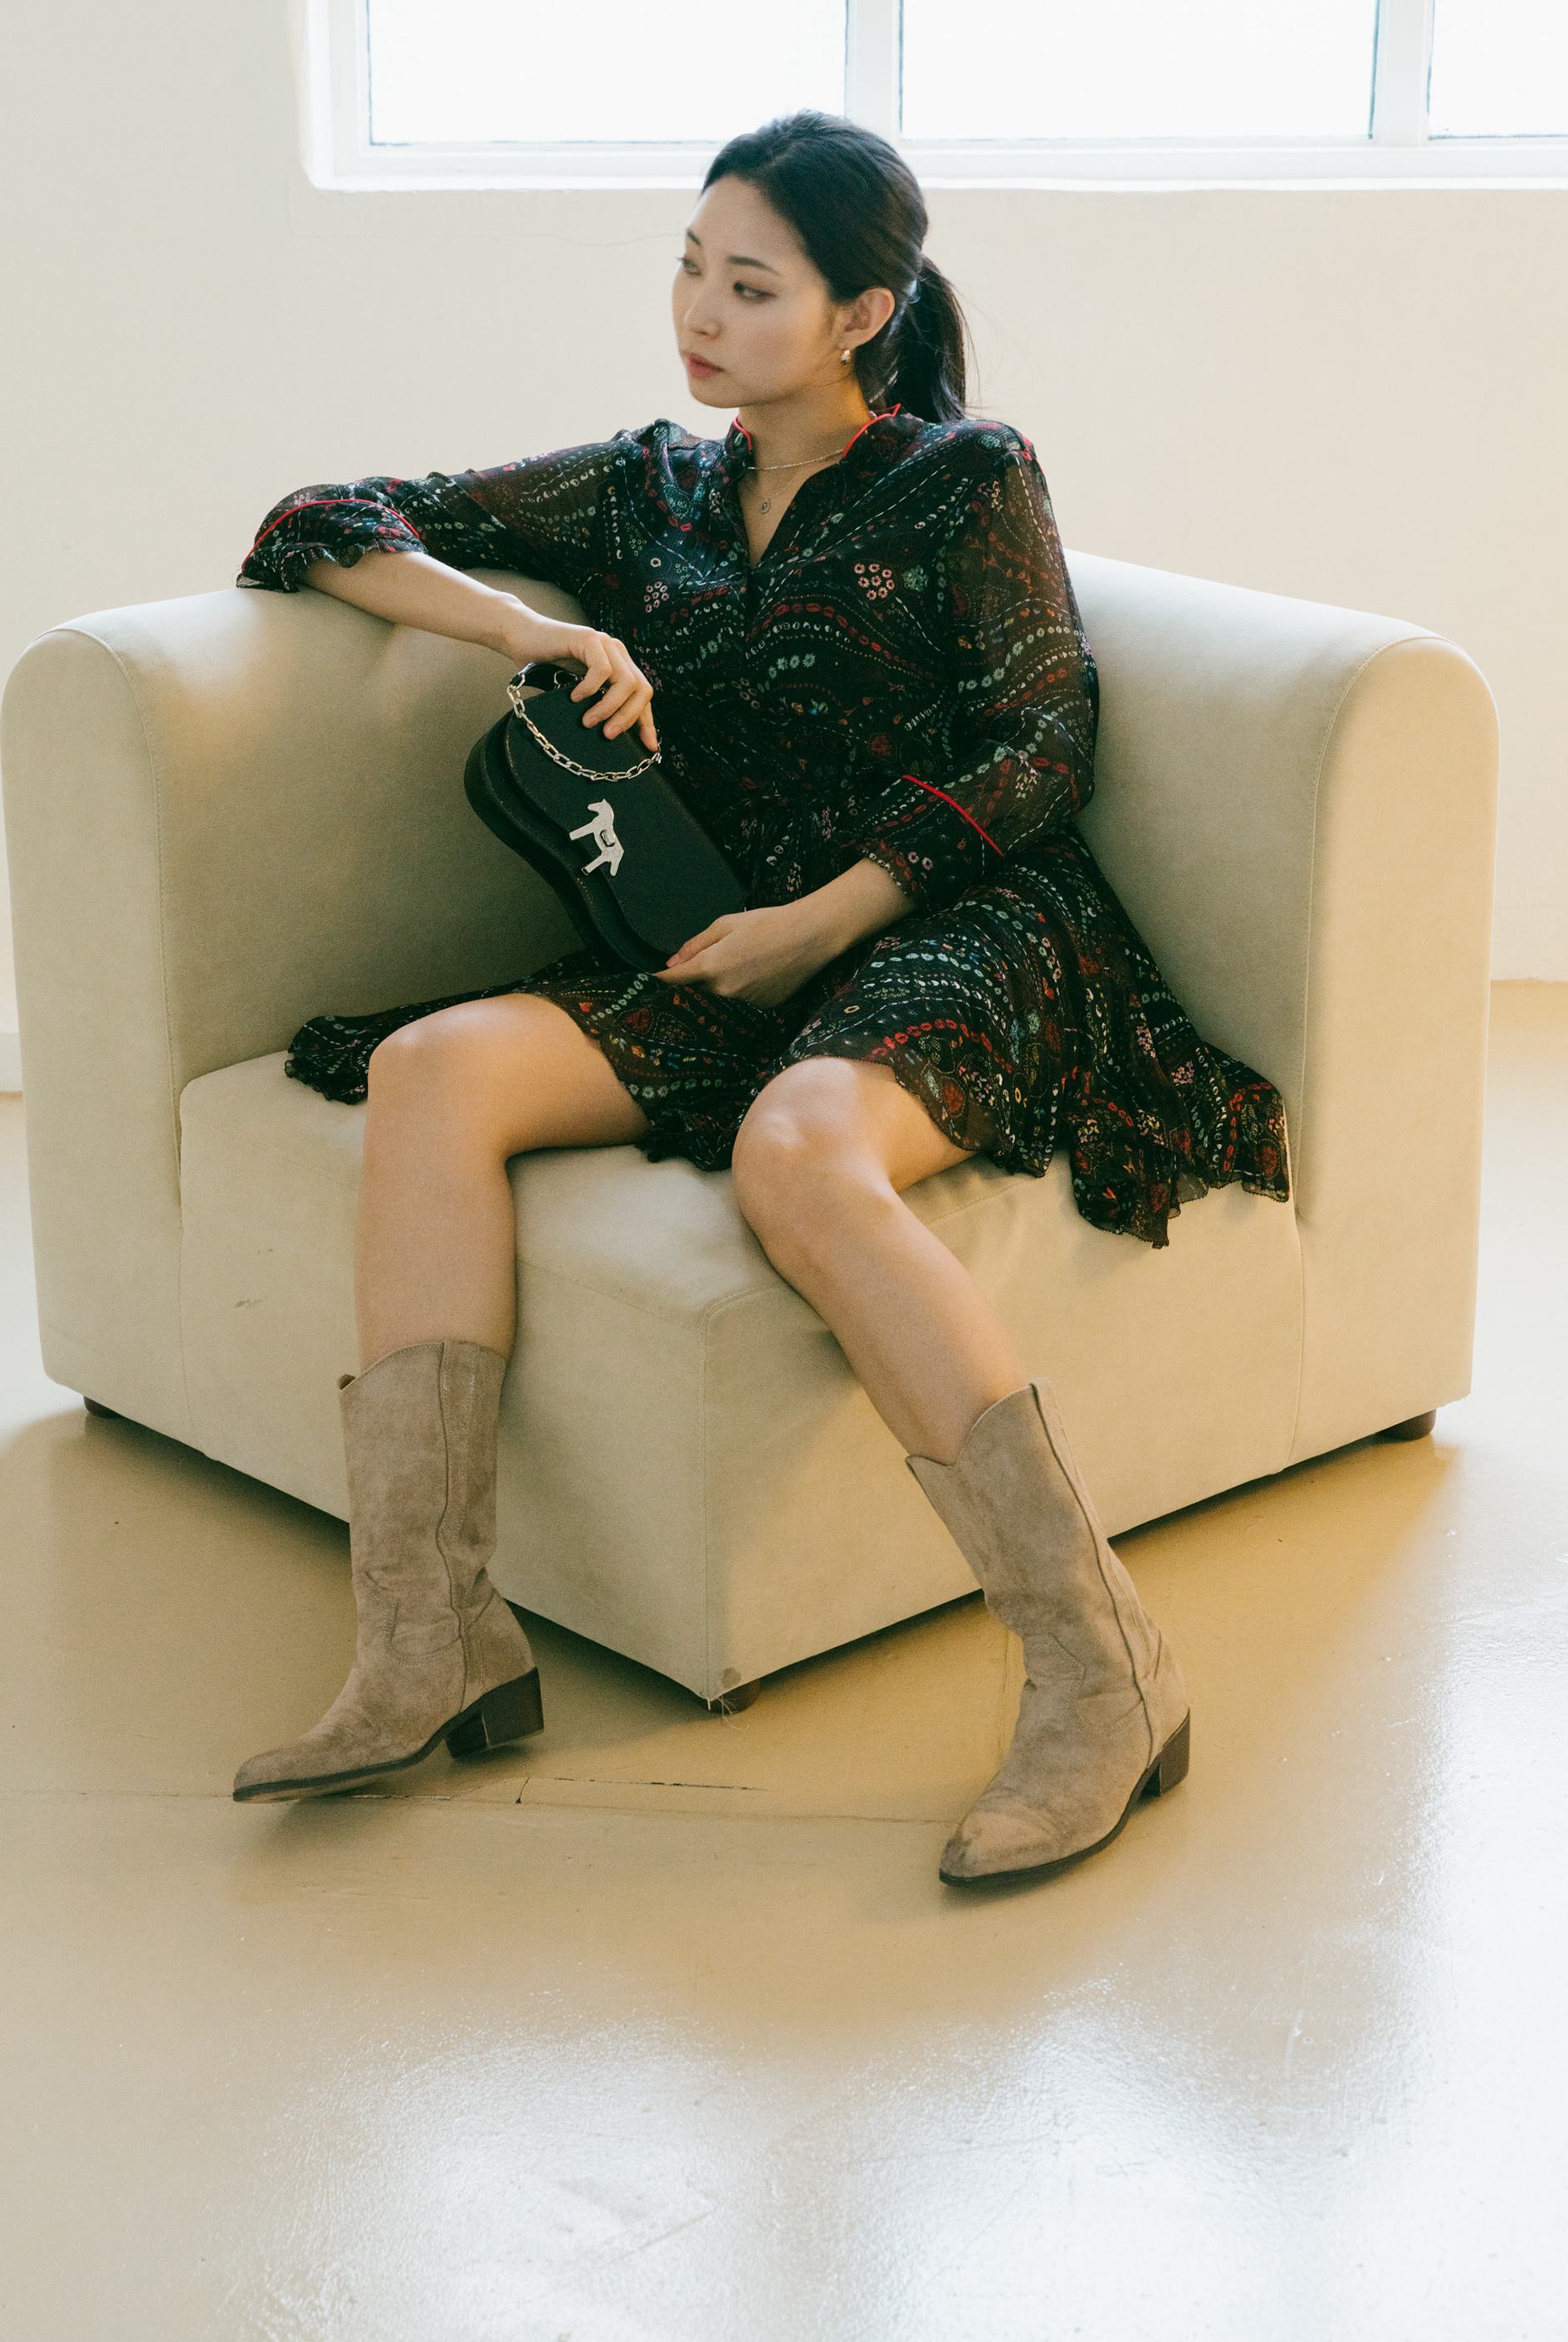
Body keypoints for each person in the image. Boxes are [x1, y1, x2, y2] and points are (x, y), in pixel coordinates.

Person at [230, 113, 1287, 1885]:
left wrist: (828, 920)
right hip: (721, 937)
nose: (699, 315)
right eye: (688, 268)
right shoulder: (644, 486)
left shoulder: (967, 477)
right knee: (431, 1071)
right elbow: (316, 522)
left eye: (750, 285)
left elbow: (1044, 744)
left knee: (798, 1152)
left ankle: (1105, 1671)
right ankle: (432, 1640)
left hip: (955, 918)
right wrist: (531, 631)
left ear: (863, 313)